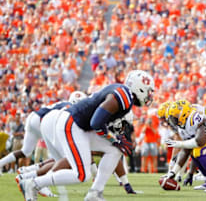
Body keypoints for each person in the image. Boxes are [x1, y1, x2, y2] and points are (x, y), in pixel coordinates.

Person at [19, 70, 154, 201]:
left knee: (115, 150)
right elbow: (96, 122)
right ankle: (33, 183)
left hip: (81, 126)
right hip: (73, 124)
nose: (149, 96)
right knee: (81, 175)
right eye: (148, 91)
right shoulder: (124, 96)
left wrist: (115, 141)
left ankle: (95, 193)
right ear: (140, 88)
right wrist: (113, 139)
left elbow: (97, 122)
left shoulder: (123, 93)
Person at [0, 91, 87, 175]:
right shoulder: (70, 107)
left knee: (25, 151)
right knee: (61, 157)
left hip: (33, 117)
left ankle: (9, 165)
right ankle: (38, 178)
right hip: (42, 121)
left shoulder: (64, 103)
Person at [164, 100, 206, 193]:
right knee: (193, 152)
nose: (173, 121)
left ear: (183, 114)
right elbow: (186, 150)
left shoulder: (194, 118)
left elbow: (200, 141)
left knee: (199, 151)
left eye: (175, 117)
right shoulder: (182, 126)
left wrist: (180, 144)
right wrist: (173, 172)